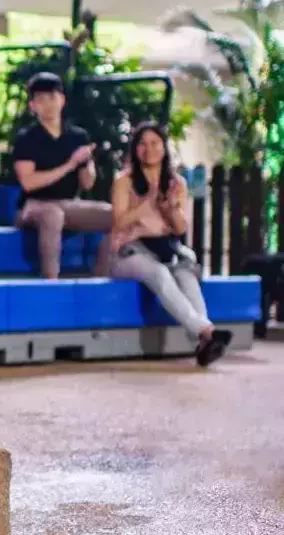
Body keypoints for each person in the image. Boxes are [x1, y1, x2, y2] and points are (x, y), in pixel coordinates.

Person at [109, 121, 231, 367]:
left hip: (165, 249)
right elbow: (118, 223)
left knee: (187, 278)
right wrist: (145, 205)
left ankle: (204, 339)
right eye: (142, 144)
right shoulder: (124, 181)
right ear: (135, 149)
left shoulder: (177, 184)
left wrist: (170, 209)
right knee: (160, 274)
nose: (149, 149)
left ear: (164, 147)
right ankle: (205, 330)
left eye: (155, 143)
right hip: (128, 252)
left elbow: (181, 228)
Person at [12, 72, 112, 279]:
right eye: (41, 99)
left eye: (52, 97)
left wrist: (86, 162)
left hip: (68, 203)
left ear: (62, 100)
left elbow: (87, 184)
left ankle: (101, 275)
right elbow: (29, 183)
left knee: (115, 215)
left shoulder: (78, 136)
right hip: (33, 205)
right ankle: (51, 282)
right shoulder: (26, 138)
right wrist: (70, 164)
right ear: (32, 106)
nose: (48, 104)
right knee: (52, 214)